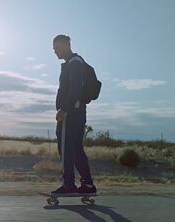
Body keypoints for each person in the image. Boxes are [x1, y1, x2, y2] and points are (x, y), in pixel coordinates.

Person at [52, 34, 97, 195]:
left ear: (66, 44)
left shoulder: (74, 63)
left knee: (65, 148)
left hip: (70, 113)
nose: (55, 52)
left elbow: (76, 89)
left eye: (57, 48)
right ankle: (88, 185)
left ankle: (68, 185)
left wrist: (64, 109)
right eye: (54, 49)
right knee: (75, 148)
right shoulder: (74, 63)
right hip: (75, 112)